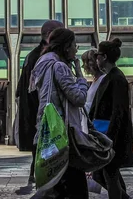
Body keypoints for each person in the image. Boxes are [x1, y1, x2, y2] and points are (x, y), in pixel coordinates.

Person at [32, 27, 88, 198]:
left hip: (45, 133)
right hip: (62, 136)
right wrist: (80, 75)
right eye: (74, 45)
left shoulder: (42, 63)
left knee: (54, 188)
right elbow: (79, 98)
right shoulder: (60, 67)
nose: (76, 50)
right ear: (66, 47)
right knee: (76, 189)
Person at [15, 19, 63, 185]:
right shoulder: (46, 56)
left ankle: (36, 173)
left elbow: (20, 88)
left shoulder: (33, 55)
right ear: (50, 35)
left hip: (37, 111)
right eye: (60, 33)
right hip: (44, 112)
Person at [90, 38, 133, 199]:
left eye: (98, 55)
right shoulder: (110, 77)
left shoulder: (116, 78)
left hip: (111, 135)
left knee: (109, 174)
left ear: (104, 57)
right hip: (105, 134)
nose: (96, 59)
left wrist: (110, 139)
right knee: (103, 174)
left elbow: (118, 111)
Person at [81, 48, 105, 132]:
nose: (83, 66)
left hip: (96, 125)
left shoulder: (103, 80)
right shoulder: (95, 80)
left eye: (84, 62)